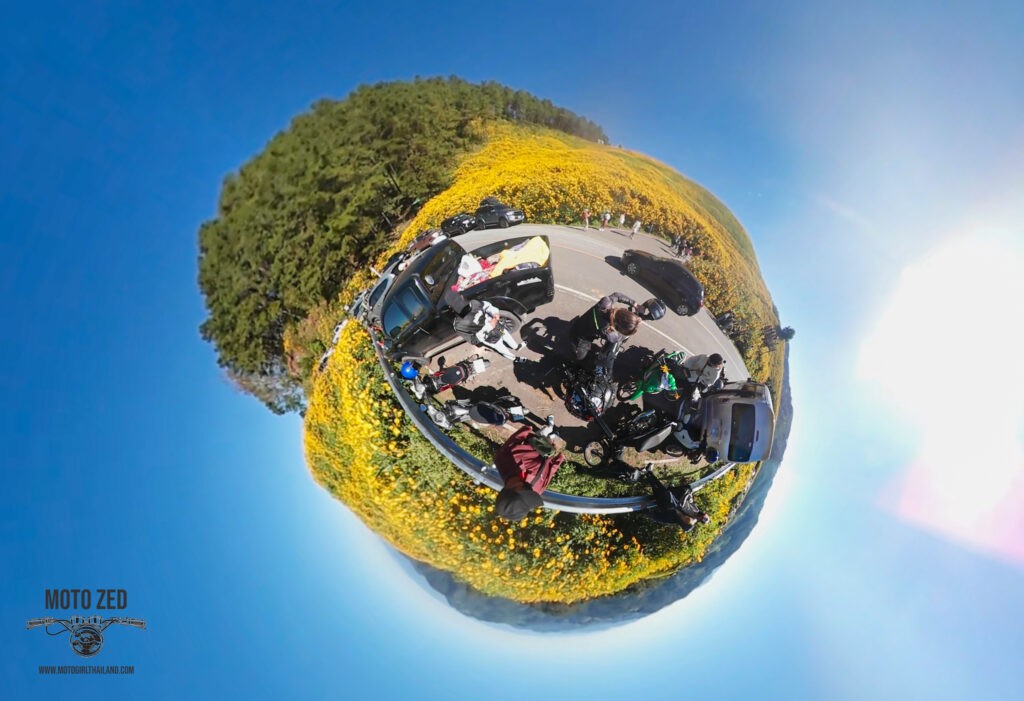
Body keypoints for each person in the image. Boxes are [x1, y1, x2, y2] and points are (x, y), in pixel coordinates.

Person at [493, 426, 565, 521]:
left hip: (537, 438)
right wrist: (559, 458)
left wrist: (530, 432)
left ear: (509, 488)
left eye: (525, 493)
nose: (529, 491)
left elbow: (518, 436)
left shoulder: (502, 460)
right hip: (552, 446)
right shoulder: (534, 492)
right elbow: (548, 476)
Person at [567, 292, 640, 362]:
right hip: (579, 338)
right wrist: (627, 334)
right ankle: (573, 345)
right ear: (618, 326)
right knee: (580, 357)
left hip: (582, 322)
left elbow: (617, 295)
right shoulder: (607, 331)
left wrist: (634, 304)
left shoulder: (606, 302)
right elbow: (617, 339)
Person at [639, 467, 711, 531]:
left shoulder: (672, 519)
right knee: (660, 486)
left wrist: (644, 509)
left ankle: (647, 473)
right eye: (688, 518)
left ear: (683, 522)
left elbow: (657, 517)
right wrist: (688, 494)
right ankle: (648, 472)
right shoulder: (687, 514)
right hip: (669, 496)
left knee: (656, 487)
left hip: (661, 500)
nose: (687, 517)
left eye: (687, 519)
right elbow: (688, 503)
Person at [452, 298, 524, 360]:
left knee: (506, 335)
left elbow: (486, 305)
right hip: (489, 337)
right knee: (502, 348)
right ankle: (514, 358)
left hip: (497, 325)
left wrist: (495, 313)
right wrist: (489, 327)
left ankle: (516, 347)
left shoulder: (473, 303)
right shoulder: (458, 325)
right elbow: (473, 340)